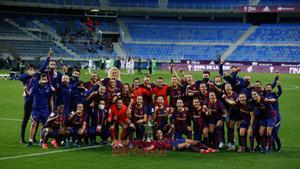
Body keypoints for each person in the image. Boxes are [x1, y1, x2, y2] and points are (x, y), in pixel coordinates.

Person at [26, 73, 54, 147]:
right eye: (42, 79)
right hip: (36, 109)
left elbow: (51, 100)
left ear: (47, 80)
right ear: (40, 80)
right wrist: (25, 90)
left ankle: (42, 140)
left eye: (45, 79)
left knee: (44, 125)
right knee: (33, 124)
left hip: (45, 109)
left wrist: (52, 110)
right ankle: (30, 141)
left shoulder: (49, 88)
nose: (44, 80)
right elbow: (28, 94)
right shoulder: (36, 86)